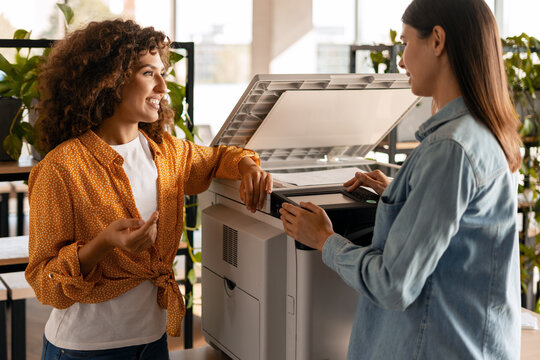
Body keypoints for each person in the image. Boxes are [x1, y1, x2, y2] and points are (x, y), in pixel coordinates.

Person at [279, 0, 522, 358]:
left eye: (406, 43)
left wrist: (325, 240)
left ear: (437, 41)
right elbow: (464, 226)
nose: (402, 60)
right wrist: (403, 193)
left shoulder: (449, 149)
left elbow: (394, 285)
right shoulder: (477, 132)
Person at [25, 19, 272, 359]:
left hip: (153, 342)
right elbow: (44, 281)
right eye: (147, 73)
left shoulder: (167, 152)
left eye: (162, 74)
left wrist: (247, 166)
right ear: (108, 81)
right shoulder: (60, 169)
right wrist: (103, 244)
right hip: (84, 350)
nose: (162, 87)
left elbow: (218, 159)